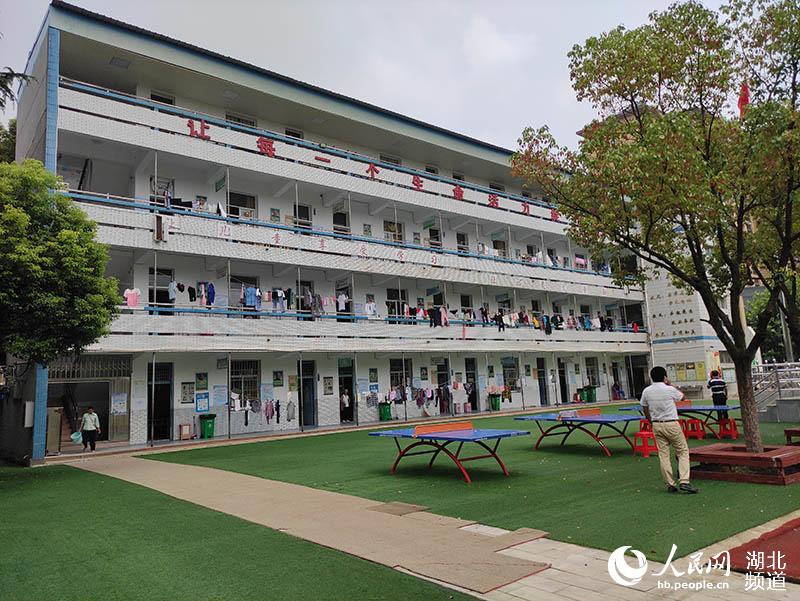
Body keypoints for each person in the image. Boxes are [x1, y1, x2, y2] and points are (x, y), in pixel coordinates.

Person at [640, 366, 698, 494]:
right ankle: (684, 481)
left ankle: (670, 484)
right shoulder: (669, 389)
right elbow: (683, 397)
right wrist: (670, 384)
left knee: (664, 455)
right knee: (682, 451)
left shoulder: (647, 391)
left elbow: (644, 407)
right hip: (671, 423)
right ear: (664, 376)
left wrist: (650, 421)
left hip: (656, 424)